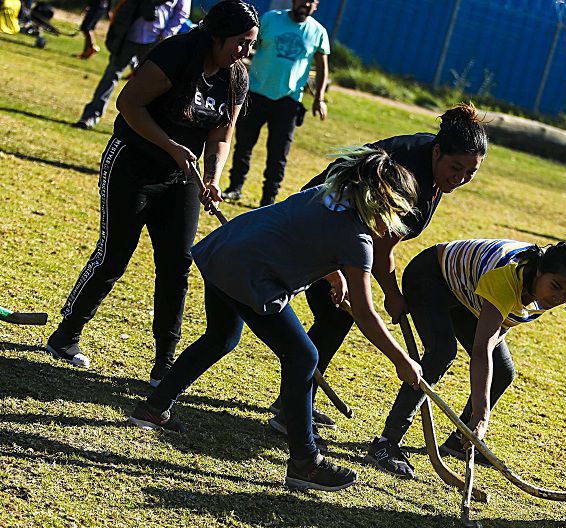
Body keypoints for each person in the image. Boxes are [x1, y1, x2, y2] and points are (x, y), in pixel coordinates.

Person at [128, 147, 424, 493]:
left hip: (224, 251)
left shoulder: (326, 195)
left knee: (221, 338)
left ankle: (153, 408)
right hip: (250, 274)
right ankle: (305, 463)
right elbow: (365, 312)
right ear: (384, 204)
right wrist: (402, 361)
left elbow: (300, 232)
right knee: (303, 356)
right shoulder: (357, 238)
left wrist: (334, 274)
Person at [47, 0, 259, 386]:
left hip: (182, 177)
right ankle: (66, 335)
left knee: (177, 266)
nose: (245, 52)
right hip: (132, 164)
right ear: (217, 35)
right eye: (241, 42)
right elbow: (127, 104)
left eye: (251, 44)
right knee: (113, 257)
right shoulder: (177, 54)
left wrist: (212, 176)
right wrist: (172, 147)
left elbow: (222, 135)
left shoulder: (235, 77)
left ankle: (165, 362)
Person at [267, 104, 487, 434]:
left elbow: (382, 244)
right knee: (335, 316)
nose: (460, 179)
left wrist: (391, 293)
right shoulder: (412, 177)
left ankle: (295, 400)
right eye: (456, 168)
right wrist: (392, 294)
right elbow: (380, 248)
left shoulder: (432, 155)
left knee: (334, 318)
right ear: (439, 151)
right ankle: (291, 409)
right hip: (318, 224)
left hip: (333, 229)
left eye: (470, 173)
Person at [366, 227, 566, 479]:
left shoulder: (542, 290)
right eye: (556, 287)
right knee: (441, 353)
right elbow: (481, 350)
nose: (559, 298)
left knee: (502, 371)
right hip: (432, 277)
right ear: (541, 269)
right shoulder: (508, 277)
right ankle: (385, 443)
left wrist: (478, 418)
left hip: (469, 296)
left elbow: (496, 333)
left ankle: (461, 441)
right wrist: (481, 417)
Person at [221, 0, 329, 207]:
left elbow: (323, 67)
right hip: (256, 93)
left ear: (316, 5)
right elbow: (249, 44)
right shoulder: (271, 20)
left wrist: (319, 98)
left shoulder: (318, 32)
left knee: (279, 153)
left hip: (288, 101)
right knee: (243, 144)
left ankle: (268, 200)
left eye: (310, 1)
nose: (304, 4)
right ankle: (234, 188)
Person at [74, 0, 189, 129]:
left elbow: (182, 13)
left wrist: (167, 34)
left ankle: (142, 126)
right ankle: (90, 116)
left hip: (155, 40)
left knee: (150, 85)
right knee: (111, 75)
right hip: (128, 33)